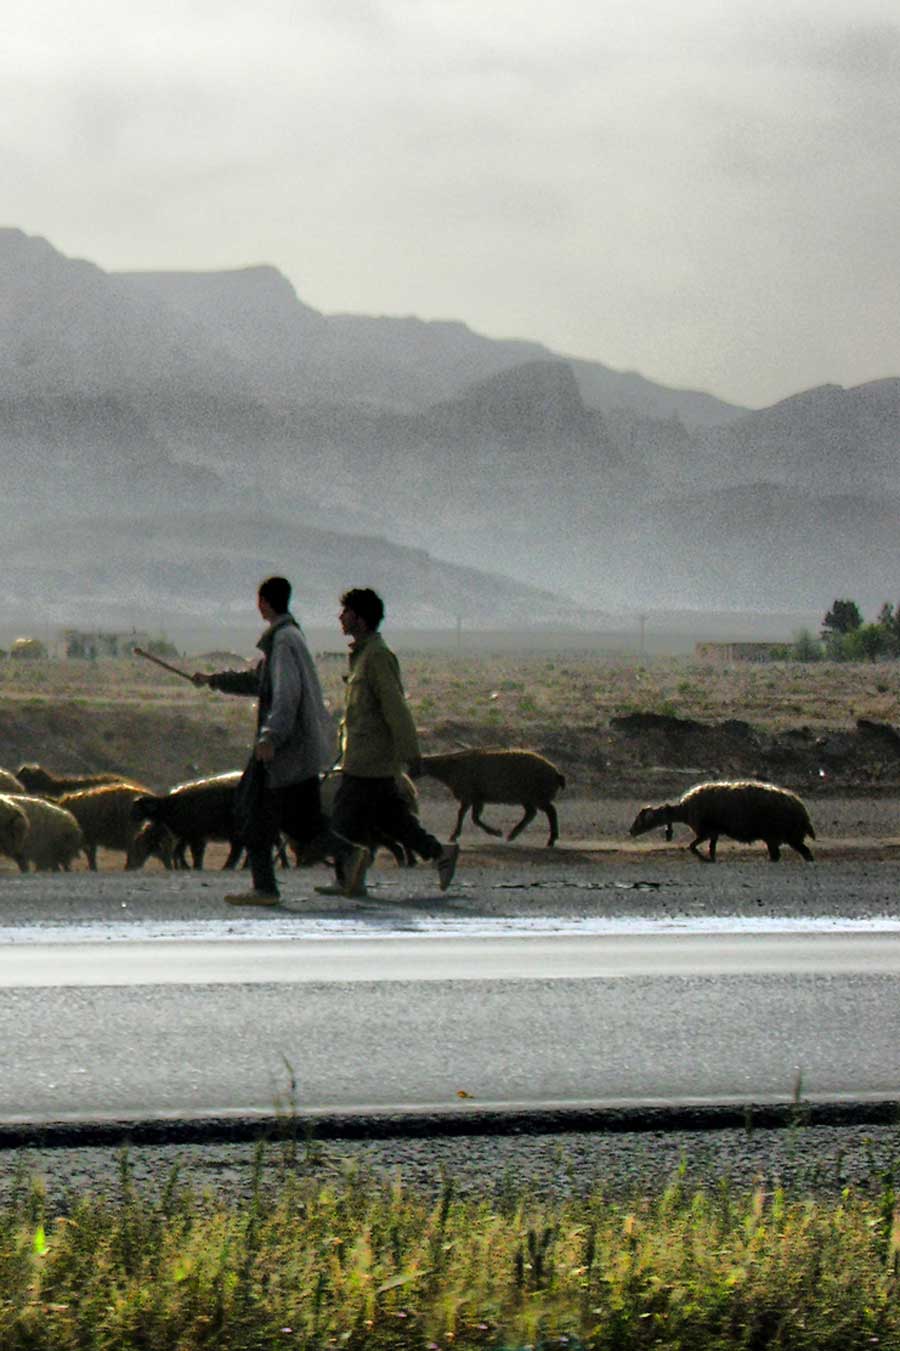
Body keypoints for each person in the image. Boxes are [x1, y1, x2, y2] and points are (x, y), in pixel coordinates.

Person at [192, 576, 339, 906]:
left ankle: (265, 888)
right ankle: (350, 856)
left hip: (283, 751)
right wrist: (213, 680)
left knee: (252, 811)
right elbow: (259, 682)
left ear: (264, 603)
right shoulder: (288, 638)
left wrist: (271, 736)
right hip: (298, 750)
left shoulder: (283, 643)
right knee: (304, 825)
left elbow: (286, 695)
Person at [316, 587, 459, 898]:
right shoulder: (364, 656)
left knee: (342, 819)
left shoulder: (377, 657)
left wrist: (411, 754)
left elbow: (395, 708)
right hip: (364, 758)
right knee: (392, 820)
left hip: (371, 760)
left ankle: (347, 878)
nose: (340, 618)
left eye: (346, 612)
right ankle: (439, 854)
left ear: (360, 617)